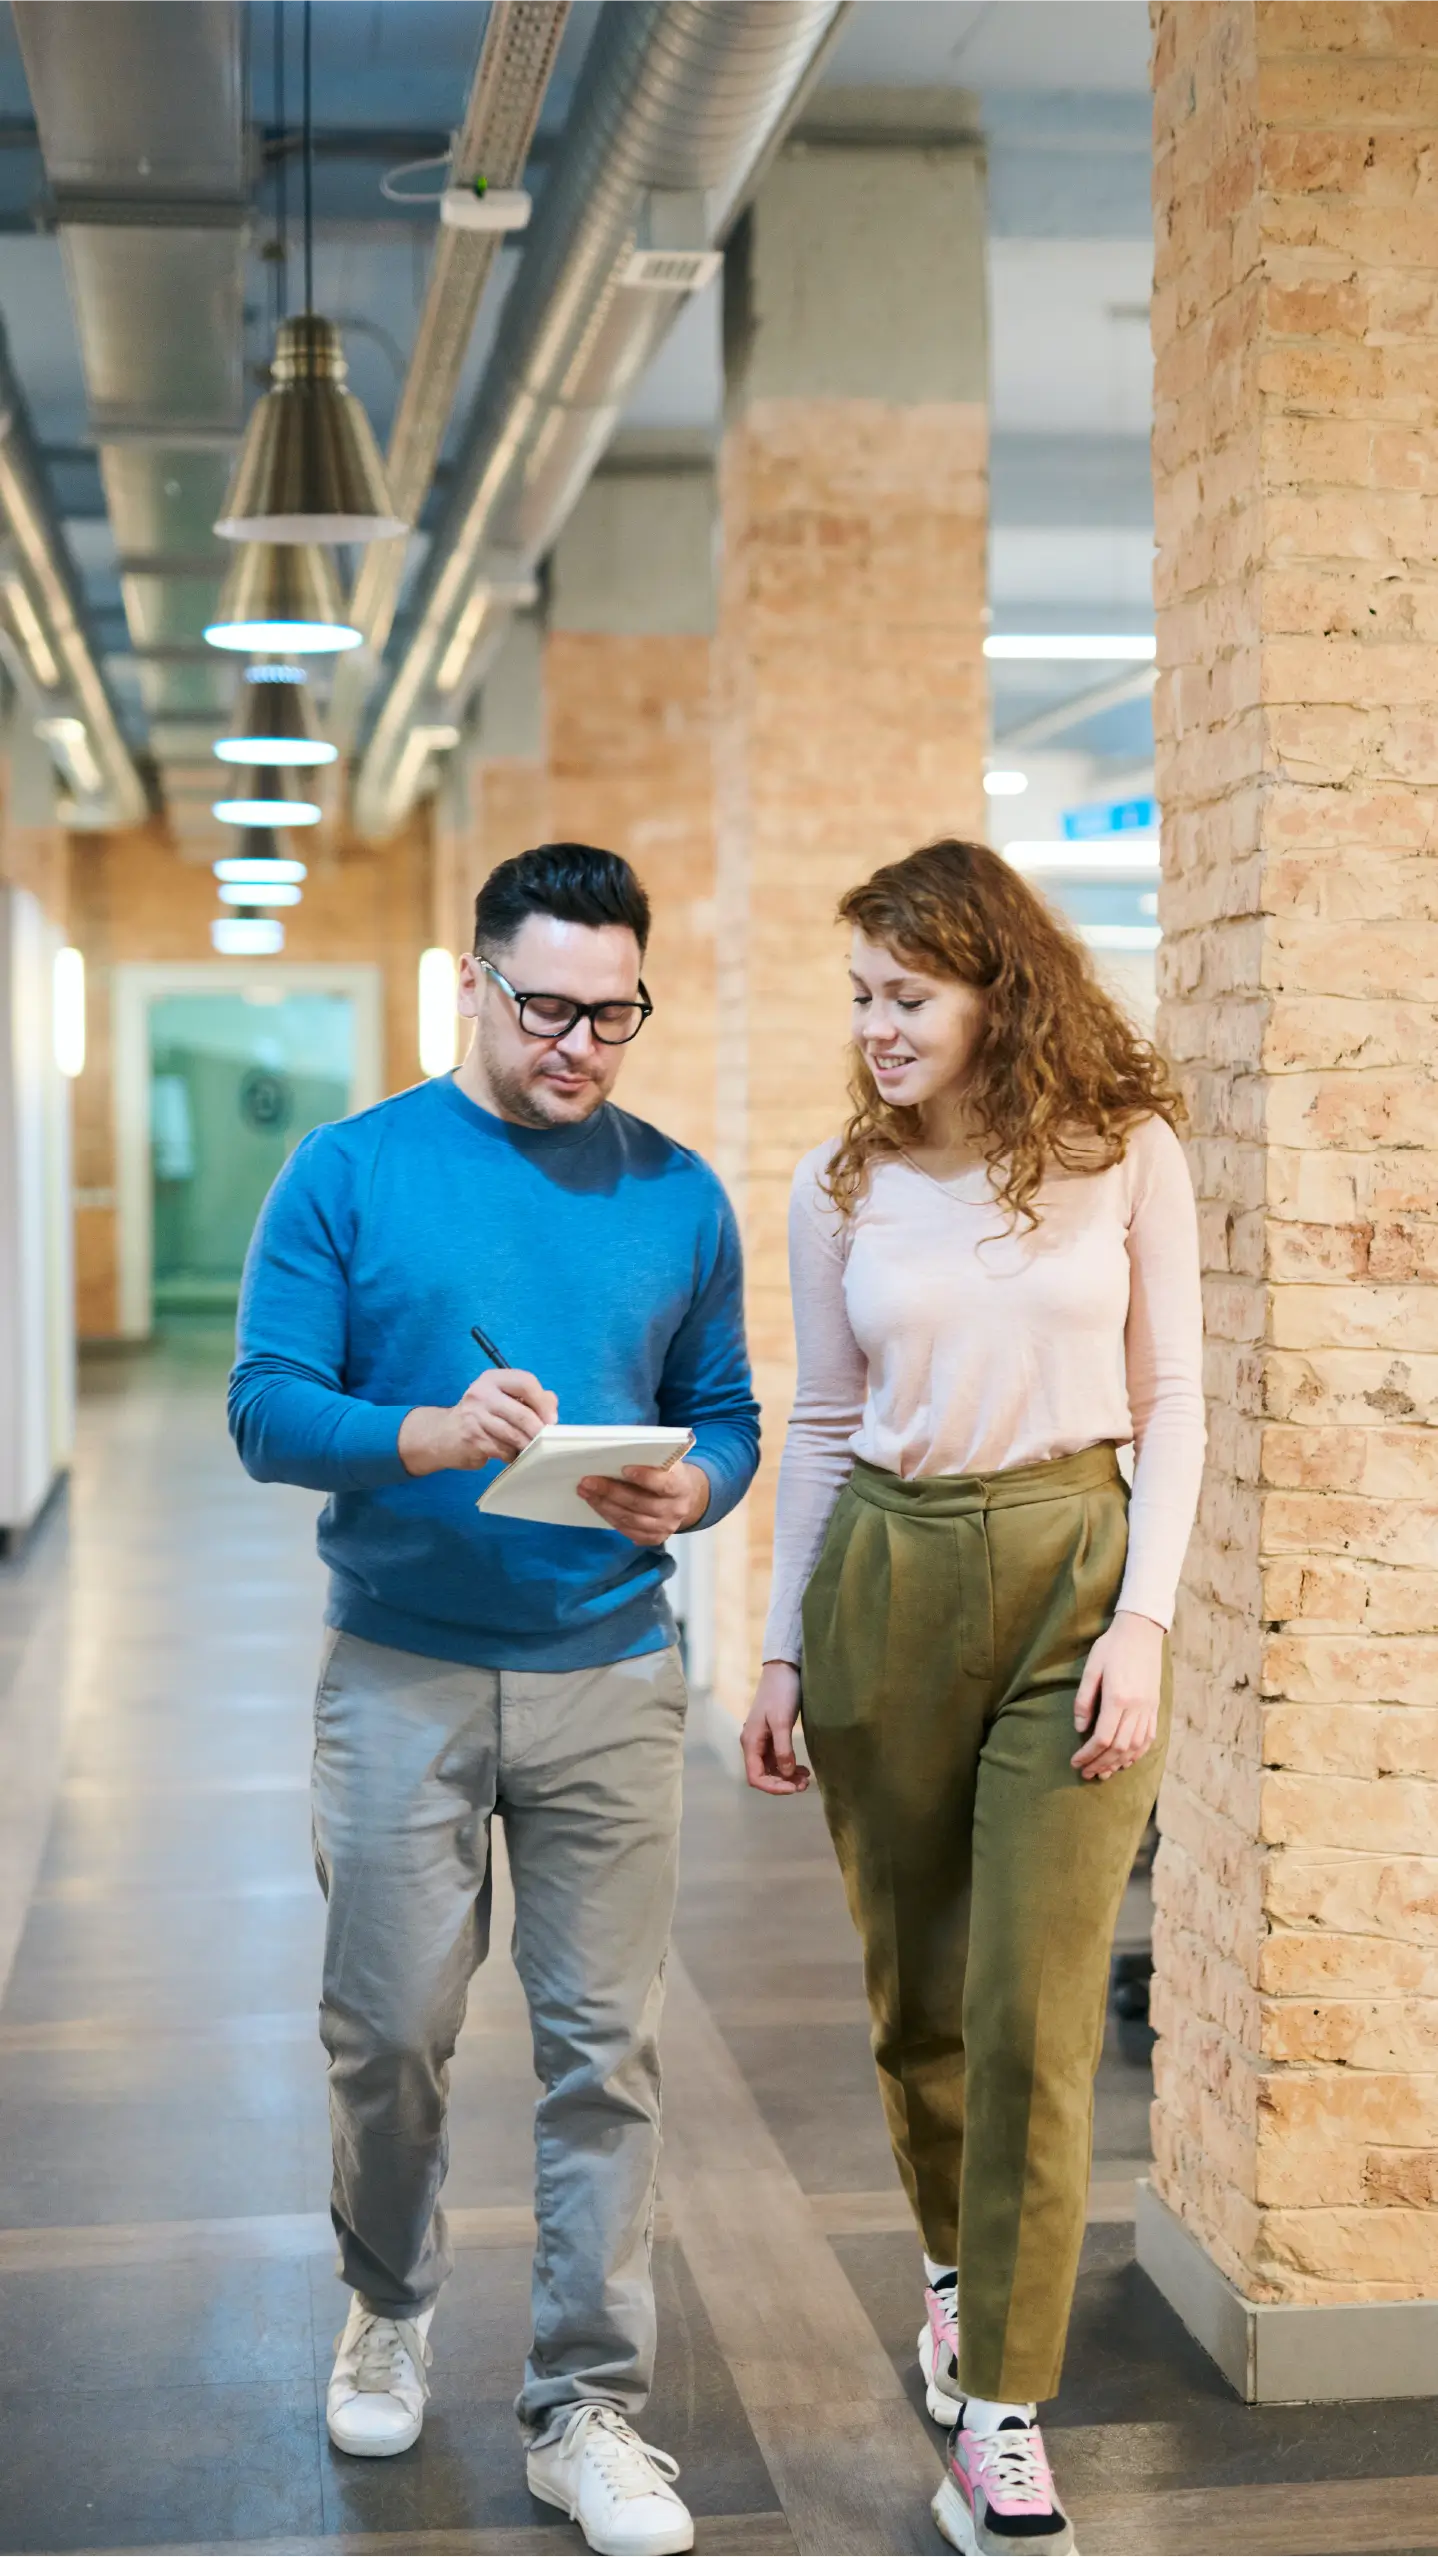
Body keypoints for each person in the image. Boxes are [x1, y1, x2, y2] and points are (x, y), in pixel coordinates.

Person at [230, 843, 759, 2557]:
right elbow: (263, 1410)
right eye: (548, 1008)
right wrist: (430, 1435)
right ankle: (387, 2302)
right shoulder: (350, 1171)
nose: (583, 1045)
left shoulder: (678, 1191)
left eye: (616, 1014)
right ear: (473, 985)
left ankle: (585, 2405)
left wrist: (703, 1490)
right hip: (399, 1671)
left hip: (610, 1670)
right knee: (386, 2032)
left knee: (607, 2055)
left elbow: (728, 1409)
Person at [740, 839, 1204, 2557]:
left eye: (906, 996)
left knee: (1033, 2006)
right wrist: (783, 1646)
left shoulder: (1119, 1153)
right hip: (886, 1577)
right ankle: (954, 2270)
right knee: (916, 1991)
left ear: (997, 990)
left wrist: (1144, 1623)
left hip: (1075, 1572)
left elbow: (1176, 1402)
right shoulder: (836, 1186)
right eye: (859, 996)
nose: (873, 1027)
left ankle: (1000, 2410)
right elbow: (822, 1427)